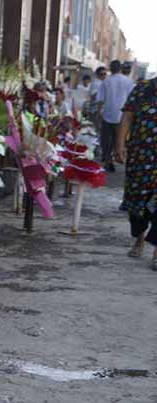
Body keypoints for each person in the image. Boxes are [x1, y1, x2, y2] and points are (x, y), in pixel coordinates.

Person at [115, 75, 157, 269]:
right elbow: (127, 117)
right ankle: (139, 238)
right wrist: (120, 145)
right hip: (141, 157)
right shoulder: (142, 88)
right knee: (137, 204)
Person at [96, 59, 134, 171]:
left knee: (106, 139)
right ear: (120, 68)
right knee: (118, 139)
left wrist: (99, 113)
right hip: (123, 116)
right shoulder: (129, 82)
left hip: (108, 114)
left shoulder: (106, 82)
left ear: (110, 69)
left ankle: (108, 160)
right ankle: (117, 157)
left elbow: (100, 100)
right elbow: (132, 99)